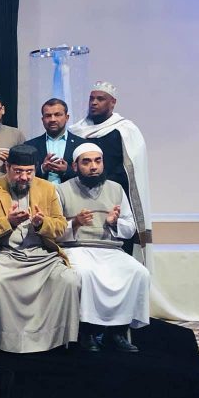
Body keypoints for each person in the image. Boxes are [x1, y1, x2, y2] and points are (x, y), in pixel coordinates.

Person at [0, 144, 79, 354]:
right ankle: (9, 340)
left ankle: (55, 337)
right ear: (7, 167)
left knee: (69, 280)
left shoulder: (47, 189)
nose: (23, 177)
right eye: (18, 171)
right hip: (4, 254)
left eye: (29, 172)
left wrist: (41, 223)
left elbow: (59, 227)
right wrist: (8, 222)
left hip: (41, 255)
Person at [57, 143, 150, 353]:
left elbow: (129, 228)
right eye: (86, 162)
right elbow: (54, 230)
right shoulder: (61, 190)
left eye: (97, 161)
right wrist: (75, 223)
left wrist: (114, 223)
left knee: (139, 272)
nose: (93, 167)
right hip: (76, 247)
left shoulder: (116, 189)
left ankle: (117, 332)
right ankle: (87, 332)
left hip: (110, 248)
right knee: (86, 273)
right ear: (75, 166)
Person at [69, 81, 152, 259]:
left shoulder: (125, 130)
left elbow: (132, 170)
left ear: (112, 102)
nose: (94, 102)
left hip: (115, 196)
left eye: (100, 99)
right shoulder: (77, 130)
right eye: (91, 98)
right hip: (81, 195)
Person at [24, 98, 85, 185]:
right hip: (41, 192)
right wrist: (42, 169)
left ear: (67, 117)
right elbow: (23, 176)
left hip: (71, 192)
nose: (52, 119)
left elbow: (88, 176)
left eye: (57, 115)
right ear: (42, 119)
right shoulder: (30, 146)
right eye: (48, 116)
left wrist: (67, 171)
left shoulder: (81, 145)